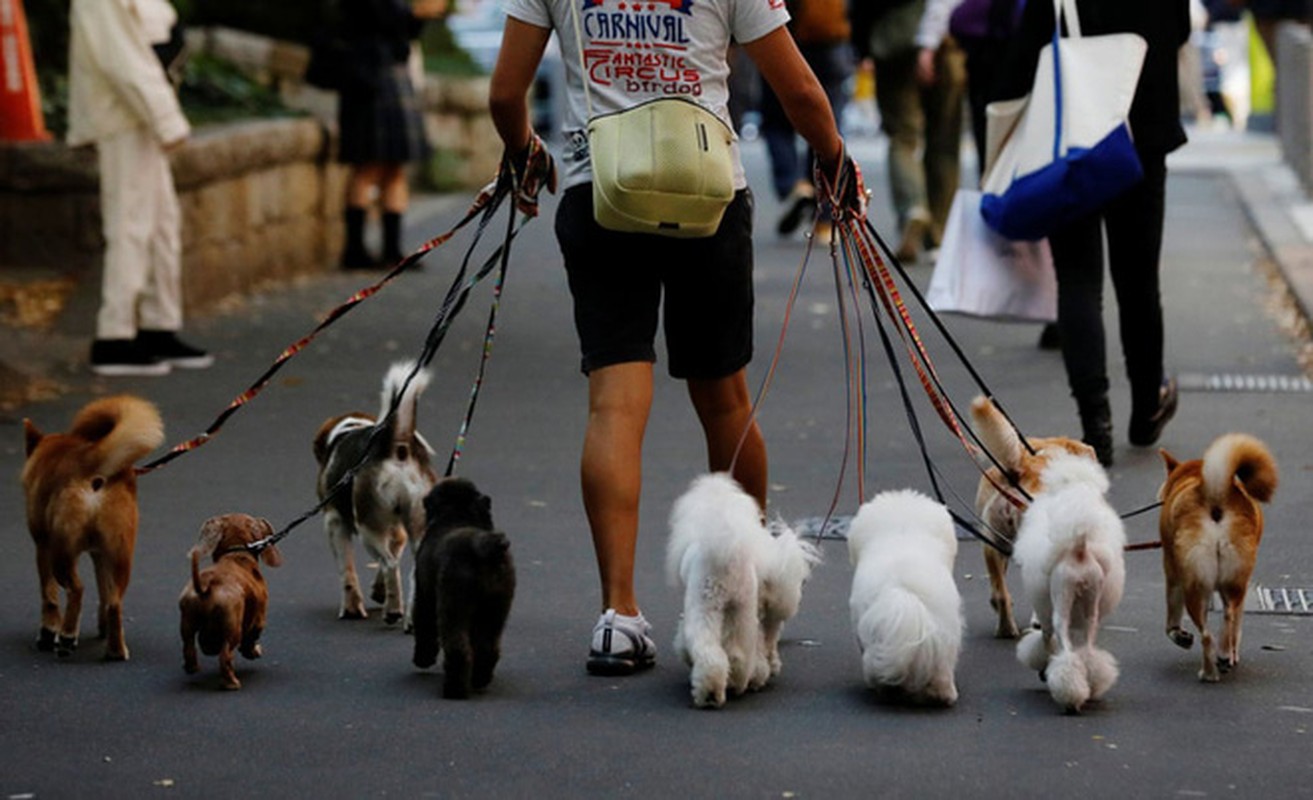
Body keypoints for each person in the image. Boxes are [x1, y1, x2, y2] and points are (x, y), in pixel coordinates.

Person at [488, 0, 855, 675]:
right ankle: (749, 591)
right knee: (724, 402)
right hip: (708, 195)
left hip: (599, 191)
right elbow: (800, 89)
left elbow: (506, 92)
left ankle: (618, 616)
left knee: (614, 405)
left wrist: (523, 152)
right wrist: (832, 157)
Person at [993, 0, 1190, 466]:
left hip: (1072, 146)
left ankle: (1094, 426)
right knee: (1140, 280)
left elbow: (1025, 51)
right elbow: (1176, 31)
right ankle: (1147, 406)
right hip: (1142, 136)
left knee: (1079, 282)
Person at [68, 0, 213, 377]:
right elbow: (121, 59)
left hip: (140, 114)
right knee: (130, 224)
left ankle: (157, 326)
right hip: (122, 117)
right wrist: (167, 119)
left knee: (162, 225)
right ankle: (114, 336)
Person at [851, 0, 968, 263]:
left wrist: (862, 46)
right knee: (945, 141)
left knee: (902, 136)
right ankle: (938, 232)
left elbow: (861, 8)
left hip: (895, 40)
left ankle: (913, 207)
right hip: (948, 41)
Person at [337, 0, 446, 269]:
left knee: (395, 167)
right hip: (370, 77)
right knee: (368, 166)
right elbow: (380, 16)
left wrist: (418, 16)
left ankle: (392, 249)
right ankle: (355, 250)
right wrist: (417, 12)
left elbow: (405, 31)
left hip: (389, 71)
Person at [760, 0, 855, 238]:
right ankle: (825, 213)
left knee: (776, 122)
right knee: (823, 126)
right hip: (831, 40)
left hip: (785, 35)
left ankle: (793, 183)